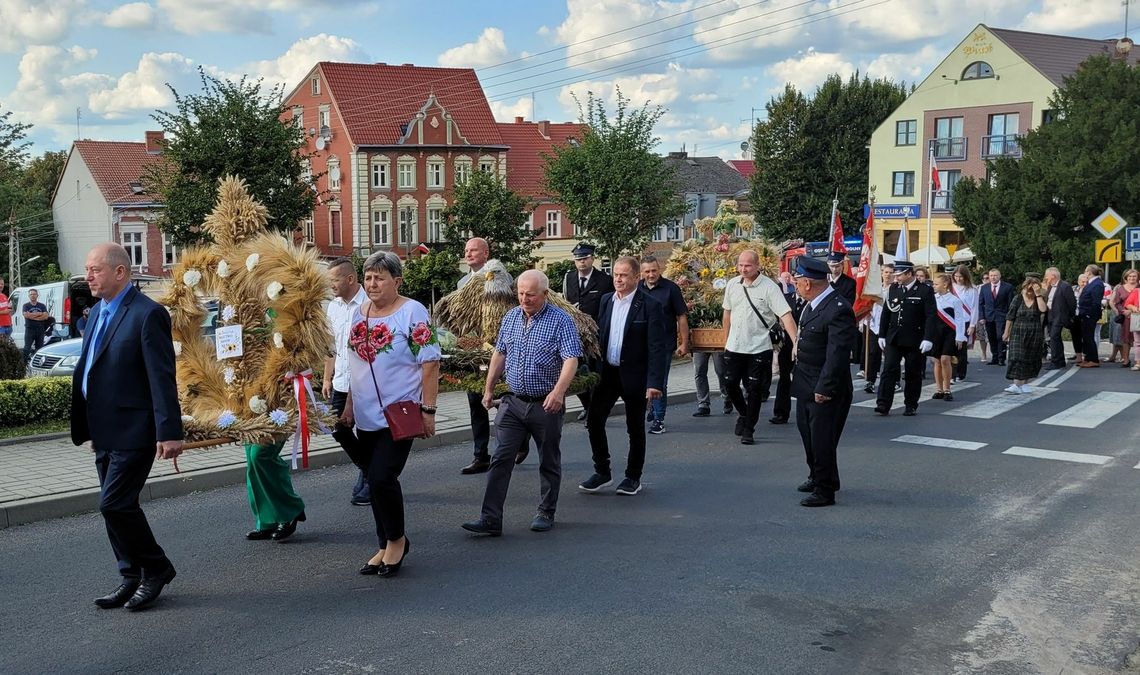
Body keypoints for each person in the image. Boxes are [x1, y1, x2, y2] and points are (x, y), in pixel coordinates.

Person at [71, 243, 183, 611]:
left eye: (95, 270)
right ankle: (129, 574)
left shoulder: (147, 314)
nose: (88, 276)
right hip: (103, 428)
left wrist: (169, 431)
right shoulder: (95, 313)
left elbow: (161, 375)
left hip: (136, 428)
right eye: (87, 269)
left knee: (114, 504)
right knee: (115, 505)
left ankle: (157, 567)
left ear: (120, 272)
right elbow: (91, 369)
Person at [342, 252, 440, 578]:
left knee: (383, 476)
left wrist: (429, 410)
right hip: (366, 414)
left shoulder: (413, 311)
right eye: (368, 277)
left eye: (380, 277)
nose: (373, 283)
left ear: (397, 281)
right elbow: (356, 364)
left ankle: (397, 541)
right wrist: (350, 405)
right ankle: (383, 542)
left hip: (400, 413)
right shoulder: (359, 314)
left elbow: (430, 362)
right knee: (372, 479)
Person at [463, 269, 582, 536]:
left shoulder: (561, 321)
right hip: (513, 402)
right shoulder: (512, 317)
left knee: (548, 460)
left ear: (545, 294)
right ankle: (490, 518)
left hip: (545, 405)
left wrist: (559, 393)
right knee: (501, 458)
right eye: (520, 293)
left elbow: (571, 359)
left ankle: (545, 511)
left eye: (530, 294)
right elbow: (499, 353)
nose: (524, 299)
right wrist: (489, 388)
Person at [579, 257, 666, 496]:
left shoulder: (650, 305)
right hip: (608, 373)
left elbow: (657, 347)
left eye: (624, 275)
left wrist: (654, 383)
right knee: (594, 420)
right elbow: (600, 335)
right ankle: (602, 471)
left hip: (635, 375)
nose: (618, 279)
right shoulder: (606, 300)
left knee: (634, 427)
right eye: (616, 274)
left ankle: (632, 476)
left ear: (636, 277)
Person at [790, 256, 856, 507]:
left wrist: (825, 388)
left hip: (825, 386)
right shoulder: (811, 304)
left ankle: (825, 490)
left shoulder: (837, 308)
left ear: (807, 283)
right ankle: (818, 475)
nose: (795, 284)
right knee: (807, 433)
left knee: (822, 439)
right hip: (806, 380)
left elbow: (837, 354)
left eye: (797, 281)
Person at [722, 250, 798, 445]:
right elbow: (727, 314)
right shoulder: (732, 284)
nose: (743, 269)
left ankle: (749, 428)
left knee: (755, 388)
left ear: (757, 266)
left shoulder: (769, 287)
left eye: (747, 265)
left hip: (759, 346)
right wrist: (725, 340)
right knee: (729, 384)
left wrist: (796, 342)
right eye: (740, 265)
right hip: (735, 345)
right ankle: (744, 413)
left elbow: (785, 315)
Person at [456, 237, 507, 475]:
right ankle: (480, 455)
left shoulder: (498, 276)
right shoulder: (462, 282)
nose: (468, 254)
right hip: (474, 351)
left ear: (485, 253)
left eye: (473, 250)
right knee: (475, 402)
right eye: (466, 250)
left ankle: (518, 442)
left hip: (497, 348)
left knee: (502, 401)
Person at [322, 257, 371, 505]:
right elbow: (331, 346)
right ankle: (370, 470)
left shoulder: (368, 305)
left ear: (350, 279)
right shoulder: (334, 307)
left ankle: (369, 480)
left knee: (365, 431)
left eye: (335, 280)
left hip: (364, 382)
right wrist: (326, 377)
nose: (331, 285)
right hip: (340, 380)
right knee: (337, 428)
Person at [875, 260, 937, 417]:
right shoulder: (894, 289)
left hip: (915, 338)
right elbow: (887, 313)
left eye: (899, 275)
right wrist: (882, 334)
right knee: (888, 370)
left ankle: (911, 404)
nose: (896, 278)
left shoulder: (924, 290)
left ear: (909, 274)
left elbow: (931, 316)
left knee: (913, 372)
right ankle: (883, 404)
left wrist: (928, 338)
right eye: (895, 274)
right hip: (894, 338)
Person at [562, 243, 612, 421]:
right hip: (574, 334)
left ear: (592, 258)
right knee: (575, 373)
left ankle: (595, 409)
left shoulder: (605, 280)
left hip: (596, 335)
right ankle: (587, 405)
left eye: (584, 258)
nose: (581, 262)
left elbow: (609, 308)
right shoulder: (569, 278)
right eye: (578, 259)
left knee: (593, 372)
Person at [639, 254, 688, 434]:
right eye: (647, 271)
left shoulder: (671, 289)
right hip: (642, 344)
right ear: (642, 273)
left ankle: (659, 418)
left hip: (664, 344)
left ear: (659, 269)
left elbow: (681, 316)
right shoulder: (637, 289)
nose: (651, 275)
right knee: (644, 380)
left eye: (654, 271)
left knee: (660, 382)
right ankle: (651, 408)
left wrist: (684, 343)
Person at [770, 268, 805, 424]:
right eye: (795, 282)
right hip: (787, 344)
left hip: (806, 345)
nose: (797, 286)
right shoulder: (786, 299)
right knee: (784, 377)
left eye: (800, 282)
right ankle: (781, 412)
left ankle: (806, 411)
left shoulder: (812, 302)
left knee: (805, 378)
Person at [1002, 278, 1048, 392]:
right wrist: (1006, 332)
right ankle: (1016, 384)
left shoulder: (1039, 299)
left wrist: (1038, 295)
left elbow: (1043, 309)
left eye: (1032, 290)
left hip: (1034, 332)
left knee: (1030, 357)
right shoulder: (1017, 299)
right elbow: (1010, 316)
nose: (1029, 292)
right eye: (1028, 290)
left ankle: (1024, 383)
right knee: (1017, 357)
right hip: (1018, 331)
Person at [930, 273, 967, 401]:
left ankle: (947, 389)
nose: (933, 286)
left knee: (945, 359)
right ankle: (939, 389)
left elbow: (960, 319)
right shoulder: (932, 299)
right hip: (936, 333)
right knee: (937, 360)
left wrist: (960, 336)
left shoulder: (955, 300)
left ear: (945, 285)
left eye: (936, 284)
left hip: (950, 333)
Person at [861, 263, 894, 394]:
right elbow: (868, 305)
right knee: (873, 354)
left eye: (891, 272)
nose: (888, 275)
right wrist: (866, 313)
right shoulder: (875, 289)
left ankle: (893, 380)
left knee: (890, 355)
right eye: (886, 272)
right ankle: (871, 380)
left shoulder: (896, 290)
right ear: (881, 273)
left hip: (890, 327)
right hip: (875, 325)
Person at [978, 268, 1013, 366]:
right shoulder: (984, 288)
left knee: (1000, 337)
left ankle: (1001, 358)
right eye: (991, 276)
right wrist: (981, 317)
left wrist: (1009, 317)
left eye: (995, 275)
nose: (993, 277)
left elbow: (1010, 303)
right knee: (991, 337)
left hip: (1002, 316)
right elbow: (981, 303)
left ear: (999, 276)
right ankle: (995, 357)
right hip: (989, 317)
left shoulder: (1007, 287)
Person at [1043, 267, 1076, 370]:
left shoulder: (1065, 286)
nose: (1045, 278)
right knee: (1055, 338)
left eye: (1046, 276)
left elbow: (1072, 303)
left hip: (1060, 316)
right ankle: (1060, 360)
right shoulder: (1050, 287)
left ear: (1053, 276)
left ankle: (1056, 361)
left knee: (1054, 337)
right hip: (1051, 316)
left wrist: (1070, 316)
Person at [950, 266, 978, 382]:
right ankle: (952, 373)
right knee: (950, 348)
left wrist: (972, 325)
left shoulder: (972, 289)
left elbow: (975, 308)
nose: (958, 279)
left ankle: (960, 373)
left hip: (965, 321)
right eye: (956, 276)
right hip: (951, 321)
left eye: (960, 276)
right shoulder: (950, 287)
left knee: (961, 349)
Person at [1077, 265, 1106, 367]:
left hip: (1089, 314)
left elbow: (1096, 302)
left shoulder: (1097, 284)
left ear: (1089, 272)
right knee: (1086, 336)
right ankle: (1088, 357)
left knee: (1089, 337)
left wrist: (1090, 314)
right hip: (1085, 313)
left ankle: (1093, 360)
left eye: (1085, 271)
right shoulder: (1092, 283)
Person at [1108, 269, 1138, 367]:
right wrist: (1123, 312)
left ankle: (1138, 361)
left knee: (1138, 340)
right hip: (1126, 317)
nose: (1132, 278)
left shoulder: (1139, 287)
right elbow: (1117, 302)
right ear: (1126, 277)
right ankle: (1126, 360)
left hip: (1138, 315)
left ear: (1137, 277)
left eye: (1134, 276)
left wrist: (1132, 310)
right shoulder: (1120, 288)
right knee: (1126, 339)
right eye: (1129, 276)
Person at [692, 350, 731, 416]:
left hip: (717, 343)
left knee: (721, 371)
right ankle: (703, 404)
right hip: (699, 343)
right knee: (699, 371)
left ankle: (727, 397)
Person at [21, 288, 51, 361]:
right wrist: (40, 314)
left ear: (37, 295)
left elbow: (46, 316)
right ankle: (23, 365)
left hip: (40, 329)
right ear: (29, 296)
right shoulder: (26, 306)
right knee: (27, 348)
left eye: (34, 294)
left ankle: (37, 363)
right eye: (31, 294)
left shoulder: (42, 305)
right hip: (30, 329)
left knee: (40, 348)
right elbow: (26, 315)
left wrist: (32, 315)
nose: (33, 296)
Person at [975, 271, 991, 364]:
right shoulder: (978, 288)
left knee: (993, 335)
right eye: (984, 278)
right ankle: (984, 353)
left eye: (987, 278)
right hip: (980, 313)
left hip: (991, 313)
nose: (986, 280)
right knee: (981, 335)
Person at [1124, 282, 1140, 371]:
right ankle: (1138, 363)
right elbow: (1127, 304)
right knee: (1137, 343)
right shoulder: (1136, 291)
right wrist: (1134, 308)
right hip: (1138, 318)